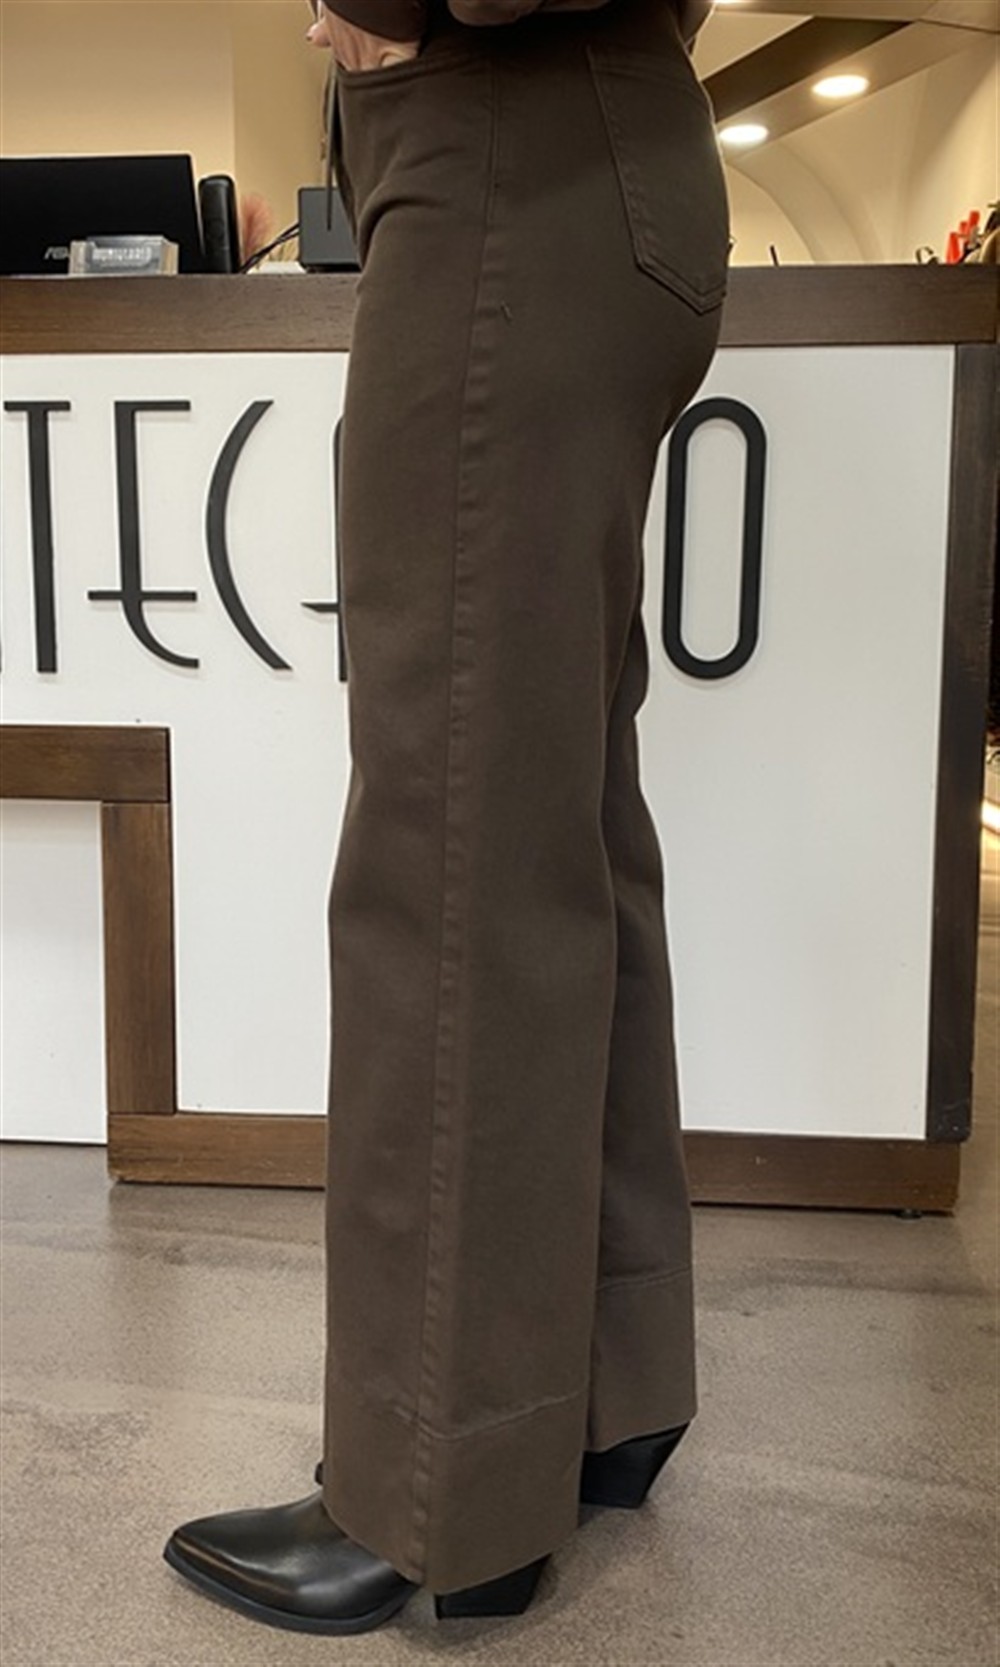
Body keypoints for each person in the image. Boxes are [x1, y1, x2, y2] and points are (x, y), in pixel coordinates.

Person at [163, 0, 728, 1634]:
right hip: (601, 170)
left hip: (507, 166)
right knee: (554, 813)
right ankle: (607, 1377)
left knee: (452, 842)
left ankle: (434, 1492)